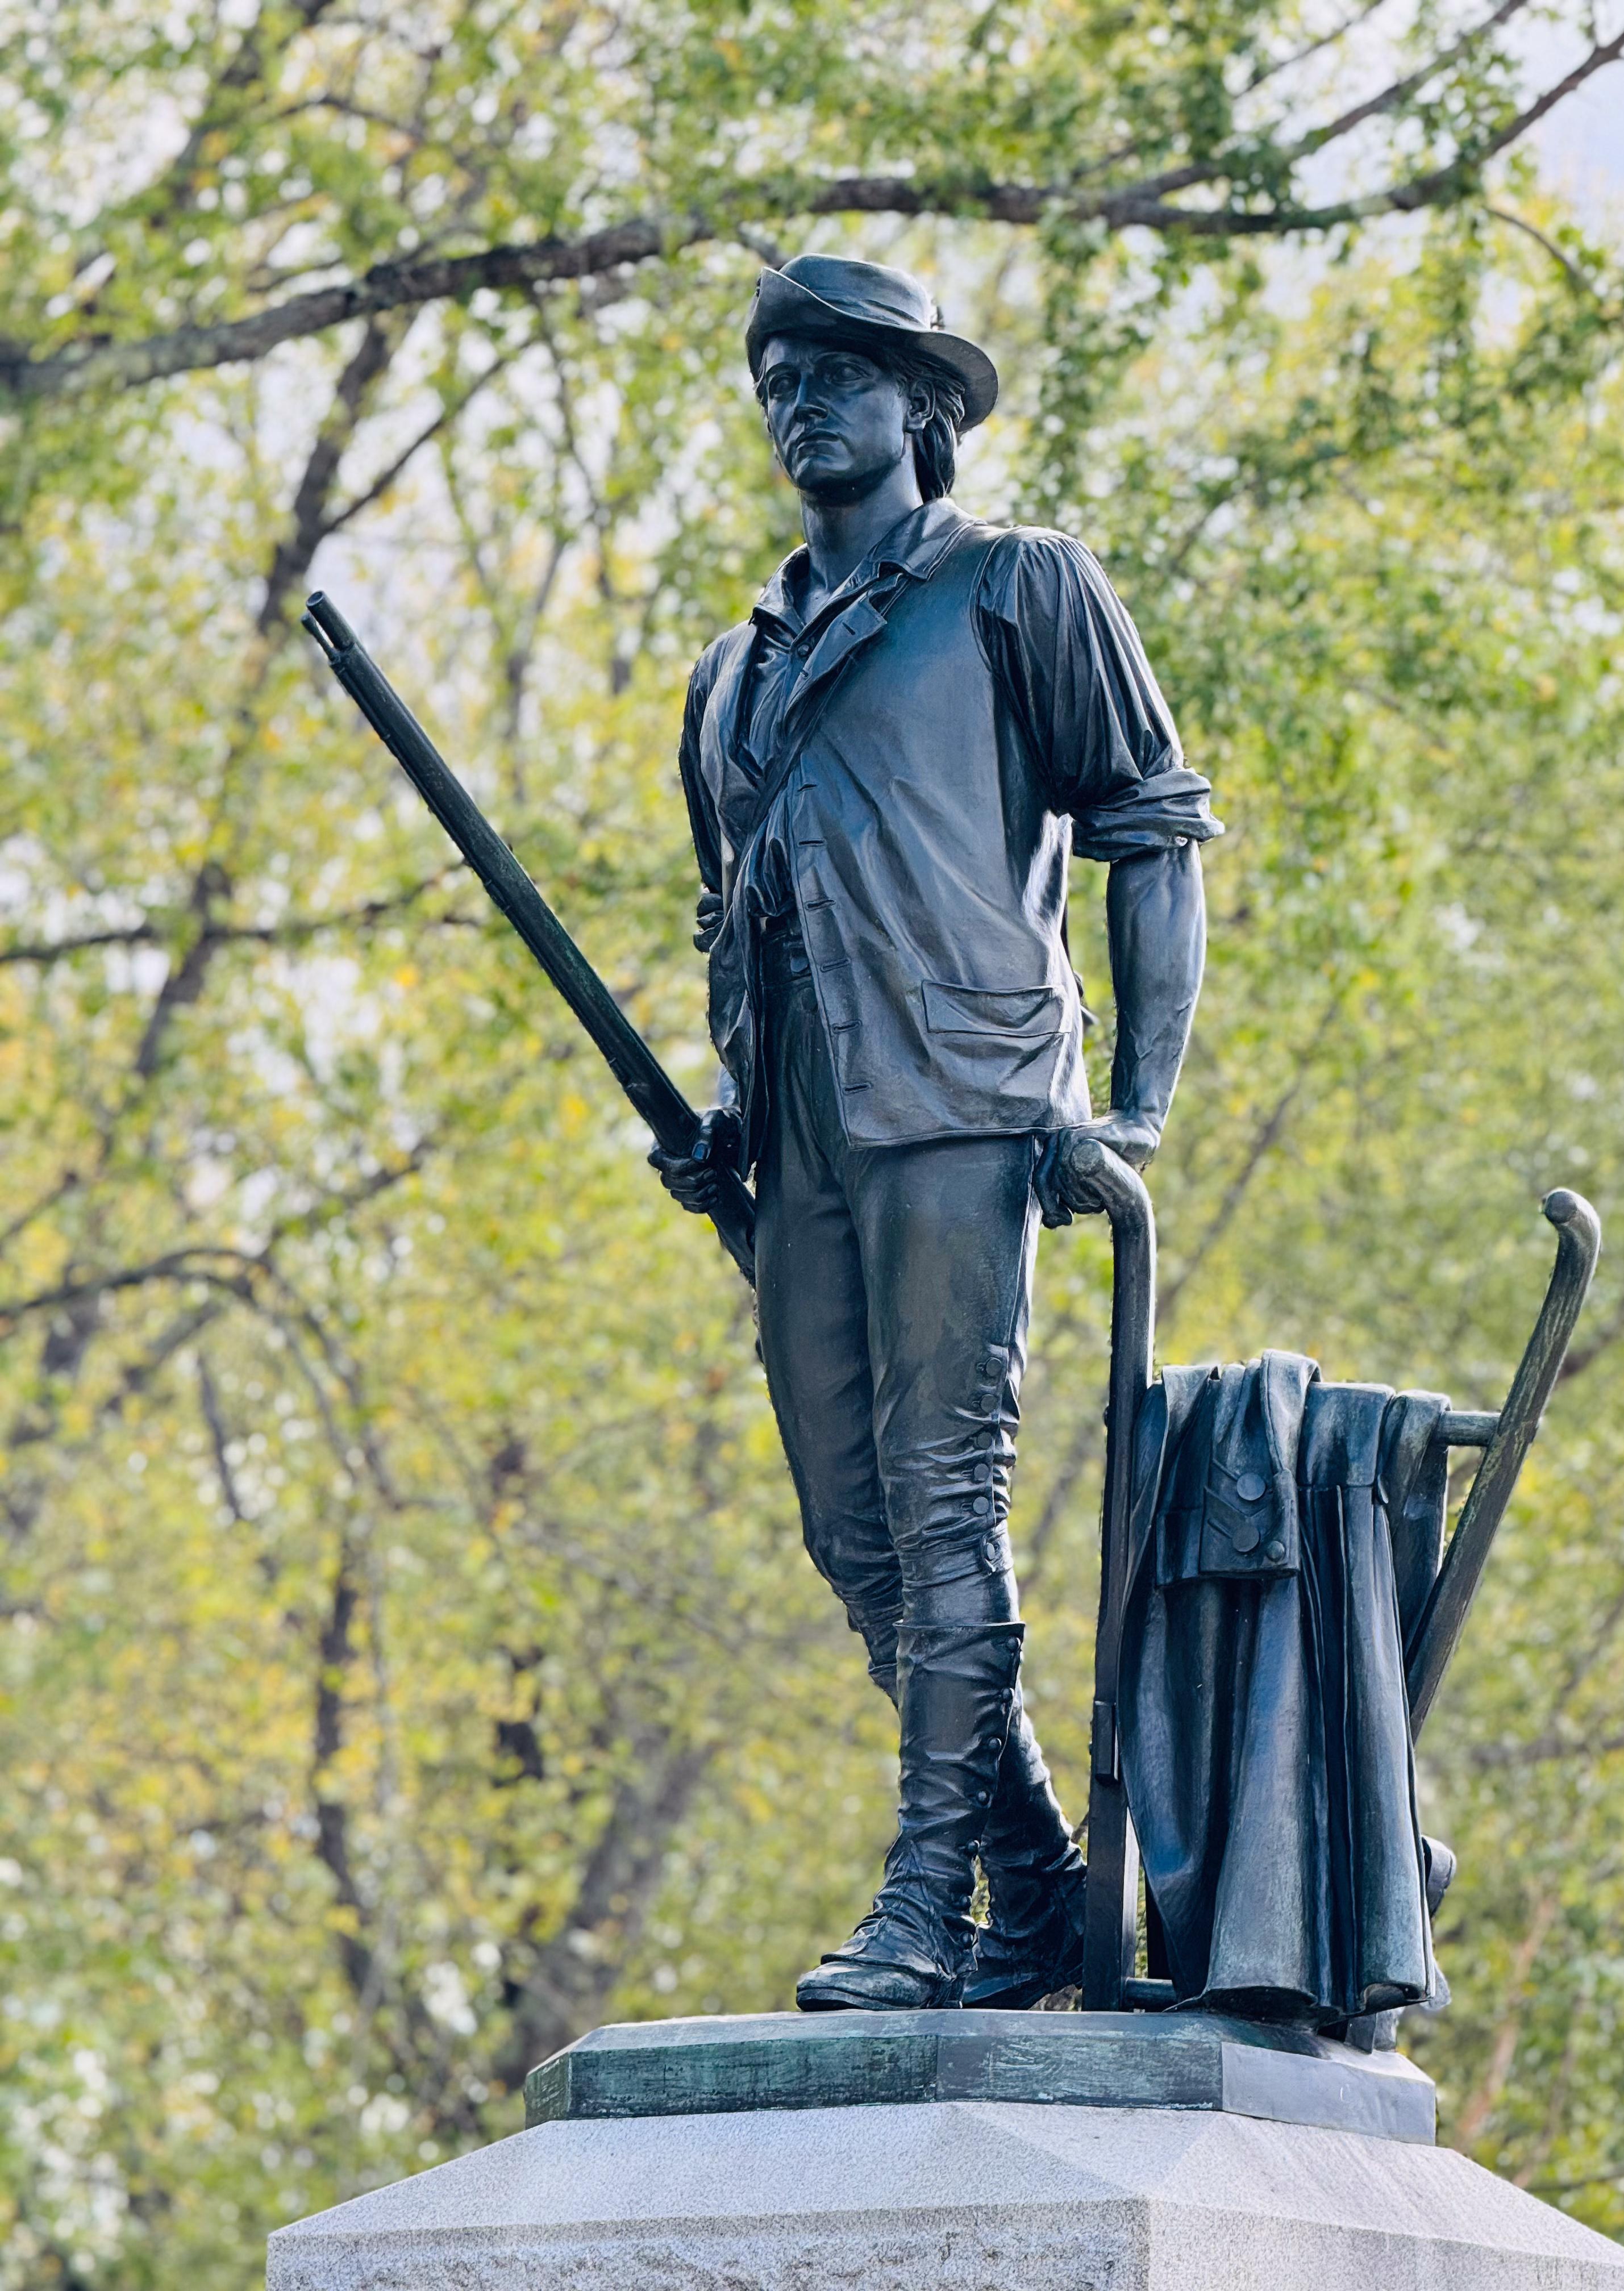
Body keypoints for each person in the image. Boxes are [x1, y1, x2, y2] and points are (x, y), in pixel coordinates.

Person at [652, 254, 1219, 2011]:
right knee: (856, 1538)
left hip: (970, 1106)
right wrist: (731, 1118)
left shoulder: (1014, 590)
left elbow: (1154, 829)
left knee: (944, 1502)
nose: (800, 400)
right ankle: (1041, 1883)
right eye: (776, 377)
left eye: (837, 369)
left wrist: (1128, 1106)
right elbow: (738, 915)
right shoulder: (726, 677)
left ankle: (924, 1899)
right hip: (808, 1144)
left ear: (925, 409)